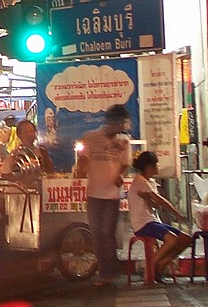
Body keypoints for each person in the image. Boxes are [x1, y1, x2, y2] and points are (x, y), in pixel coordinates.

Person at [75, 104, 132, 286]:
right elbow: (83, 159)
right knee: (97, 233)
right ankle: (106, 269)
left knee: (107, 232)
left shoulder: (124, 142)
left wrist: (120, 175)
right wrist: (80, 170)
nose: (123, 127)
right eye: (121, 122)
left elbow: (125, 163)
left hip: (113, 195)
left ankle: (108, 271)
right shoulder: (91, 137)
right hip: (94, 193)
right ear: (112, 121)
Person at [128, 151, 191, 281]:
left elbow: (155, 205)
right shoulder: (140, 181)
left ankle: (160, 266)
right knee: (172, 239)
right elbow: (160, 201)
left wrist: (148, 199)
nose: (157, 167)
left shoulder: (150, 182)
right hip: (143, 223)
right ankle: (149, 267)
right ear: (148, 167)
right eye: (155, 164)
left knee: (186, 239)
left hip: (153, 221)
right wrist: (177, 214)